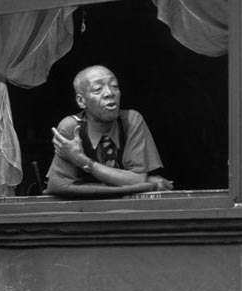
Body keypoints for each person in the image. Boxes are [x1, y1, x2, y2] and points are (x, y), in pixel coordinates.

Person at [45, 64, 174, 197]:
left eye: (114, 86)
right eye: (98, 89)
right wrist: (146, 186)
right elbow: (59, 187)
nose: (109, 93)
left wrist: (82, 160)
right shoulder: (72, 127)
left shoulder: (131, 120)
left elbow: (137, 179)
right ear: (81, 101)